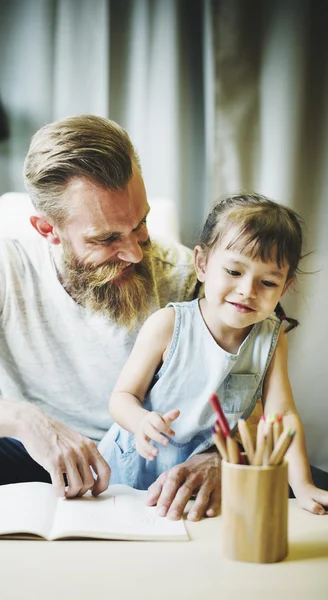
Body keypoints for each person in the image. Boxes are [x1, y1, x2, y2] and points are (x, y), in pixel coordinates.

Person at [0, 114, 220, 520]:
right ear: (47, 228)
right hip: (34, 460)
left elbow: (248, 390)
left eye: (140, 225)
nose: (136, 253)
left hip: (156, 463)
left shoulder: (185, 275)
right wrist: (23, 420)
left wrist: (219, 456)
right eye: (107, 238)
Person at [99, 193, 328, 517]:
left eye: (267, 281)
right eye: (234, 272)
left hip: (199, 469)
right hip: (134, 462)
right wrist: (140, 421)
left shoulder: (271, 339)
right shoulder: (169, 324)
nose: (248, 290)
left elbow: (282, 418)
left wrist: (302, 485)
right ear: (203, 264)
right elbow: (121, 397)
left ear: (285, 288)